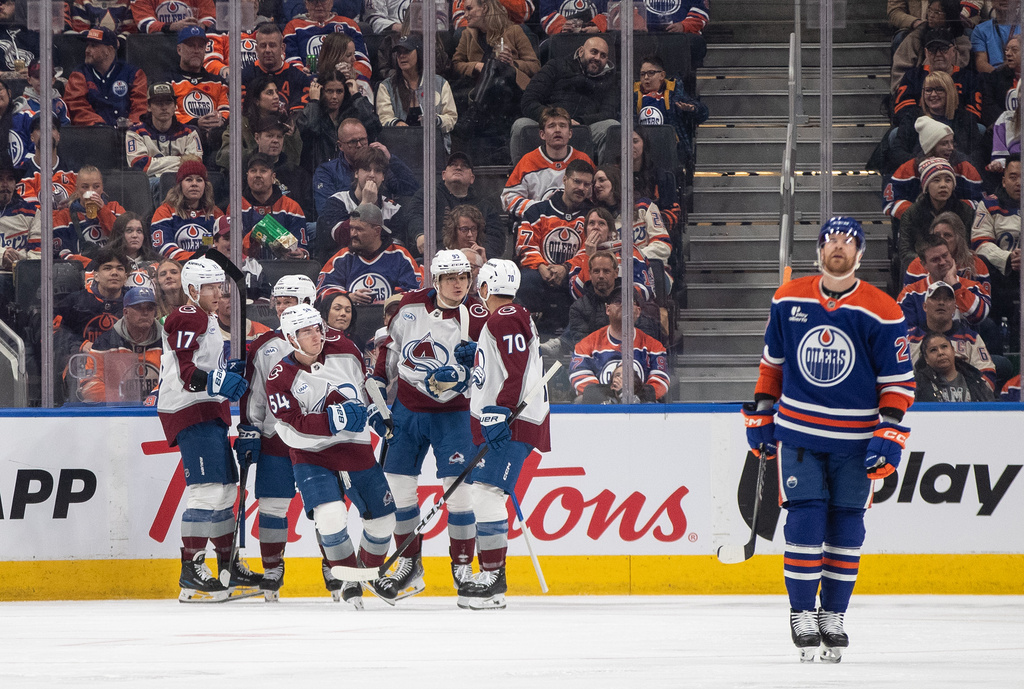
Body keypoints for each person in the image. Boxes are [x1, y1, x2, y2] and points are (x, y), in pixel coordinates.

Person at [742, 216, 915, 663]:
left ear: (861, 254)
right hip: (798, 435)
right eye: (829, 240)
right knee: (804, 520)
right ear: (818, 251)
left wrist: (890, 430)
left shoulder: (883, 309)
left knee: (847, 528)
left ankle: (833, 614)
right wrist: (762, 413)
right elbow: (772, 365)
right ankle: (801, 612)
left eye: (847, 241)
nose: (837, 247)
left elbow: (897, 381)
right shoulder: (787, 298)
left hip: (856, 442)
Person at [368, 249, 490, 601]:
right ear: (435, 280)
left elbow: (497, 370)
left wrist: (475, 364)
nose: (458, 284)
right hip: (407, 409)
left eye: (464, 277)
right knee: (400, 490)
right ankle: (410, 564)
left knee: (460, 493)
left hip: (454, 413)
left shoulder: (478, 316)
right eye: (450, 278)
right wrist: (377, 394)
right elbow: (390, 353)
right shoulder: (409, 307)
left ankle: (463, 565)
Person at [265, 303, 396, 607]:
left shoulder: (345, 349)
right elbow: (292, 424)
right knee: (330, 516)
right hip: (311, 455)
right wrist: (334, 419)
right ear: (290, 337)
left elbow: (366, 386)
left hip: (356, 447)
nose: (315, 335)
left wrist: (378, 412)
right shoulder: (280, 377)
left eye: (317, 328)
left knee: (384, 521)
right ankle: (351, 580)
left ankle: (369, 573)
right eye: (305, 331)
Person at [157, 256, 260, 603]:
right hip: (190, 410)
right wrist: (218, 379)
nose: (218, 293)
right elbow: (187, 373)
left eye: (220, 286)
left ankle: (228, 563)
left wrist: (223, 372)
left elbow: (202, 365)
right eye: (210, 287)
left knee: (227, 491)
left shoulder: (209, 318)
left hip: (207, 409)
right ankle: (191, 571)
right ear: (191, 290)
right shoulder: (189, 314)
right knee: (207, 490)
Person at [455, 259, 550, 609]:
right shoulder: (508, 317)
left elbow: (517, 368)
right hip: (505, 420)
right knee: (485, 493)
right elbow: (503, 363)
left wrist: (501, 411)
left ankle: (494, 578)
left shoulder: (505, 316)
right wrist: (477, 354)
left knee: (487, 495)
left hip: (510, 422)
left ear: (484, 288)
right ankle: (492, 576)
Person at [236, 275, 316, 601]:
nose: (281, 307)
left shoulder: (332, 343)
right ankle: (271, 571)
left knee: (325, 506)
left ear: (308, 304)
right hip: (275, 436)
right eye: (278, 301)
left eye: (290, 301)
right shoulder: (265, 345)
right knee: (272, 505)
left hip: (318, 439)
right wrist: (250, 427)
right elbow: (255, 395)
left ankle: (333, 570)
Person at [451, 0, 540, 164]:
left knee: (496, 65)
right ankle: (477, 111)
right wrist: (476, 66)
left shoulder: (514, 31)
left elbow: (535, 65)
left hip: (511, 90)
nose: (465, 15)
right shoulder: (468, 34)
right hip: (486, 92)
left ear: (484, 8)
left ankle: (475, 112)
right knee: (490, 65)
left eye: (469, 9)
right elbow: (456, 64)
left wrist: (513, 63)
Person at [515, 158, 594, 333]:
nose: (582, 188)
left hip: (572, 274)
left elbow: (589, 250)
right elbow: (525, 246)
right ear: (565, 180)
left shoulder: (592, 215)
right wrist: (542, 266)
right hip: (540, 273)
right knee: (526, 280)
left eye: (586, 184)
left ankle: (572, 336)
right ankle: (525, 331)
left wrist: (566, 268)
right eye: (577, 181)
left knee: (589, 281)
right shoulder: (537, 211)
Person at [516, 36, 618, 164]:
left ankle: (604, 179)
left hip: (585, 128)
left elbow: (608, 113)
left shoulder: (610, 80)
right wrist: (554, 119)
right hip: (551, 125)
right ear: (581, 51)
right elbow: (528, 101)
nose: (597, 58)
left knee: (612, 126)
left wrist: (580, 122)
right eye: (593, 52)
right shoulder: (556, 65)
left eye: (603, 56)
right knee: (520, 125)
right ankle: (520, 177)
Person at [569, 286, 669, 402]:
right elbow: (578, 376)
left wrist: (634, 397)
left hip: (640, 412)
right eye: (618, 301)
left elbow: (660, 380)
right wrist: (612, 397)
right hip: (601, 412)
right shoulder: (586, 344)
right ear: (607, 309)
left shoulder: (654, 346)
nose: (623, 305)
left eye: (629, 301)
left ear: (638, 311)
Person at [400, 152, 505, 260]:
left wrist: (479, 255)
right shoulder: (428, 196)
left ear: (472, 178)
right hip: (432, 260)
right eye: (453, 165)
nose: (458, 168)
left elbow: (496, 237)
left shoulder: (485, 207)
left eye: (464, 166)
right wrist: (420, 234)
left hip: (472, 264)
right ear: (443, 175)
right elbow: (414, 215)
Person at [502, 107, 595, 222]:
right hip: (539, 226)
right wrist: (540, 209)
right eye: (551, 126)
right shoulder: (528, 161)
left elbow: (594, 197)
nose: (557, 130)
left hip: (577, 225)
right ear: (542, 134)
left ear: (570, 133)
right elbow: (508, 199)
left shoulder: (583, 159)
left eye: (562, 126)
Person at [312, 118, 419, 218]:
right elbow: (325, 213)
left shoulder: (377, 169)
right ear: (340, 146)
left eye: (363, 140)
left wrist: (391, 159)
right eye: (352, 142)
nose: (359, 145)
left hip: (380, 225)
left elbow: (411, 189)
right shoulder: (326, 171)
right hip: (343, 226)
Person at [882, 116, 983, 221]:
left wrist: (953, 213)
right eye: (944, 143)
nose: (951, 147)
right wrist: (918, 215)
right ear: (930, 146)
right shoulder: (909, 169)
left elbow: (980, 203)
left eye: (952, 142)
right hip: (917, 228)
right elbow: (889, 202)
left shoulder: (965, 168)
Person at [316, 203, 421, 302]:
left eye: (358, 229)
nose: (353, 234)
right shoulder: (341, 258)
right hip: (351, 320)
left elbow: (415, 291)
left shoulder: (400, 256)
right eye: (351, 228)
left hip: (390, 319)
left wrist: (390, 301)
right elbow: (322, 292)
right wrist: (348, 297)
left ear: (377, 231)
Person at [79, 285, 162, 405]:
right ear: (125, 312)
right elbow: (89, 384)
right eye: (138, 307)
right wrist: (123, 400)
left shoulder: (167, 341)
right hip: (119, 413)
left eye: (150, 308)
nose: (145, 313)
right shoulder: (106, 342)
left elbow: (175, 381)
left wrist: (152, 400)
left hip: (158, 410)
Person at [906, 280, 996, 389]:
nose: (941, 303)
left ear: (954, 307)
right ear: (924, 306)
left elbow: (988, 375)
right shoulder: (909, 338)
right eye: (935, 298)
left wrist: (966, 395)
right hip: (922, 403)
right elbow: (897, 376)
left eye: (947, 299)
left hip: (963, 403)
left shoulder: (971, 339)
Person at [317, 146, 403, 259]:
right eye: (367, 169)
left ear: (383, 177)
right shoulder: (337, 201)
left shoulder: (393, 209)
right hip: (344, 266)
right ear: (356, 173)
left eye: (377, 171)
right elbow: (341, 238)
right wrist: (366, 204)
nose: (372, 174)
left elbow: (396, 250)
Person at [376, 34, 458, 151]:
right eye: (399, 53)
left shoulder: (440, 83)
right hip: (399, 147)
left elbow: (451, 117)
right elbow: (384, 118)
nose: (402, 56)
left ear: (419, 53)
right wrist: (397, 124)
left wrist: (436, 120)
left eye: (407, 51)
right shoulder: (386, 86)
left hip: (434, 148)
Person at [125, 82, 204, 204]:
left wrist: (154, 163)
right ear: (149, 107)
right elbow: (139, 166)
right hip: (150, 185)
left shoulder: (190, 132)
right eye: (158, 103)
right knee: (160, 183)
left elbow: (195, 165)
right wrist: (181, 160)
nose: (164, 107)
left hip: (182, 182)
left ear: (175, 106)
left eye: (168, 102)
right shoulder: (135, 132)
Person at [890, 73, 986, 171]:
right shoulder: (912, 117)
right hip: (920, 171)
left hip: (957, 171)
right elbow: (897, 151)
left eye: (939, 90)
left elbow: (977, 154)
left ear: (949, 92)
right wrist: (920, 162)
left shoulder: (965, 117)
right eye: (928, 90)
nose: (933, 94)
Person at [896, 157, 975, 272]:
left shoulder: (965, 211)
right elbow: (905, 251)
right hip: (923, 266)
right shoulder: (912, 213)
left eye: (948, 180)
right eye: (936, 180)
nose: (943, 185)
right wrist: (931, 261)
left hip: (958, 266)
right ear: (926, 186)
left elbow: (968, 246)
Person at [898, 234, 990, 329]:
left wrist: (955, 284)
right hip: (924, 343)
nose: (942, 262)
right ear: (924, 265)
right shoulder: (910, 294)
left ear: (951, 255)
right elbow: (906, 332)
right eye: (935, 259)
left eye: (945, 256)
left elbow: (980, 316)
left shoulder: (973, 287)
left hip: (965, 343)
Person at [892, 28, 982, 126]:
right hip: (921, 126)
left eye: (944, 49)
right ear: (926, 52)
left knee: (980, 128)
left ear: (953, 51)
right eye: (932, 50)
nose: (938, 54)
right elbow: (902, 108)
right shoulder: (913, 76)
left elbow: (974, 111)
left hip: (958, 127)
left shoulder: (968, 77)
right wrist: (928, 122)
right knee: (894, 134)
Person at [633, 55, 708, 170]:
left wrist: (692, 109)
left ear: (662, 75)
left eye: (651, 73)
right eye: (642, 74)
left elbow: (703, 113)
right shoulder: (633, 95)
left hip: (670, 149)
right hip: (642, 149)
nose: (646, 78)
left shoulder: (675, 93)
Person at [164, 25, 228, 161]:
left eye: (200, 46)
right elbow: (168, 112)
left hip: (214, 139)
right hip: (180, 139)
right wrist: (195, 122)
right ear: (179, 49)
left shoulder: (218, 82)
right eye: (191, 46)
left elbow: (225, 109)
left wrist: (219, 121)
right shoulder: (168, 80)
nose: (196, 50)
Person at [298, 67, 378, 175]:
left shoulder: (352, 113)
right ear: (321, 91)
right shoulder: (312, 112)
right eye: (329, 91)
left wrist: (356, 95)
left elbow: (374, 126)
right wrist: (314, 102)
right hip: (318, 174)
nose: (334, 96)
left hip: (350, 172)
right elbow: (311, 131)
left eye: (339, 91)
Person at [230, 153, 309, 261]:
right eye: (253, 170)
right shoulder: (236, 206)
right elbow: (231, 248)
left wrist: (301, 254)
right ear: (247, 175)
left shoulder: (291, 208)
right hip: (245, 268)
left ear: (273, 177)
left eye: (263, 171)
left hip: (283, 270)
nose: (257, 175)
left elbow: (302, 249)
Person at [64, 28, 148, 128]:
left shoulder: (134, 74)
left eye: (93, 46)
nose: (87, 50)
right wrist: (99, 126)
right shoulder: (79, 74)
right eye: (87, 45)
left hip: (129, 135)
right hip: (94, 135)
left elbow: (140, 107)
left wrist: (132, 124)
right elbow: (76, 106)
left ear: (109, 50)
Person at [217, 76, 302, 173]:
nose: (276, 97)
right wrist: (259, 155)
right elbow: (225, 154)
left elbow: (294, 160)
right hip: (245, 176)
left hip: (280, 176)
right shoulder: (240, 123)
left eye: (276, 92)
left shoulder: (284, 122)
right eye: (270, 93)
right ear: (256, 100)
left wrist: (292, 136)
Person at [53, 248, 127, 355]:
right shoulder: (75, 301)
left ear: (125, 277)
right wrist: (79, 344)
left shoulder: (134, 303)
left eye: (120, 269)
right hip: (81, 365)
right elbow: (50, 330)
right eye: (107, 268)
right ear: (96, 276)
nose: (114, 273)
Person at [150, 157, 224, 261]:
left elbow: (225, 245)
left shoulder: (215, 213)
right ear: (179, 185)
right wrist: (194, 258)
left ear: (205, 186)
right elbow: (162, 248)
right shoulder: (164, 211)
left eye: (199, 180)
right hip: (177, 268)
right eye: (189, 179)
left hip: (210, 269)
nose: (194, 183)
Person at [890, 0, 971, 92]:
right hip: (918, 89)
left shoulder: (961, 40)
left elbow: (961, 65)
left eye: (937, 12)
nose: (931, 15)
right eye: (930, 11)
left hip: (952, 90)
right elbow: (900, 69)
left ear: (949, 15)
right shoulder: (915, 37)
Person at [283, 0, 371, 82]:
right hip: (309, 83)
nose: (319, 5)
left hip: (345, 81)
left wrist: (352, 74)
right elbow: (291, 60)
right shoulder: (293, 26)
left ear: (331, 2)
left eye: (323, 1)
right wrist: (303, 76)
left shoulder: (349, 25)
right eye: (314, 1)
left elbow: (362, 61)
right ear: (306, 3)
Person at [51, 166, 127, 261]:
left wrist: (103, 211)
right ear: (77, 189)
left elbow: (126, 240)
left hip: (114, 266)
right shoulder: (64, 216)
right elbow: (62, 253)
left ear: (102, 187)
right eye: (85, 187)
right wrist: (89, 264)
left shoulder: (115, 208)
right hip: (81, 271)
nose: (91, 191)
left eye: (96, 186)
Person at [241, 22, 312, 115]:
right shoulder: (244, 76)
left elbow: (298, 117)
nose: (267, 50)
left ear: (282, 48)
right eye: (263, 46)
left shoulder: (299, 78)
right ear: (256, 49)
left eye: (272, 45)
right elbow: (243, 114)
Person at [904, 211, 989, 289]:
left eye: (947, 235)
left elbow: (985, 303)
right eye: (937, 235)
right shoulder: (917, 266)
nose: (942, 239)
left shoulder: (977, 265)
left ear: (958, 239)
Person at [914, 331, 995, 402]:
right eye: (933, 350)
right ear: (926, 358)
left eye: (944, 347)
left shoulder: (975, 381)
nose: (940, 352)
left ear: (953, 350)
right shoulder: (918, 385)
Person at [0, 158, 38, 302]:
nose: (5, 185)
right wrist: (3, 256)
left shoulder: (32, 213)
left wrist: (16, 262)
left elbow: (38, 255)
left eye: (10, 179)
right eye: (0, 179)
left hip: (24, 280)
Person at [107, 211, 161, 283]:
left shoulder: (157, 262)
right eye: (129, 231)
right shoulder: (107, 261)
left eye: (139, 231)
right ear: (119, 234)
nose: (135, 235)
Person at [982, 34, 1020, 127]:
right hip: (1004, 126)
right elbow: (989, 106)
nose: (1008, 53)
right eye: (1007, 50)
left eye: (1014, 50)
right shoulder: (996, 76)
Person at [971, 0, 1019, 73]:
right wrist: (1001, 78)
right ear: (991, 2)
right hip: (994, 79)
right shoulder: (980, 30)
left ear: (1018, 2)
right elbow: (981, 63)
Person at [132, 0, 216, 34]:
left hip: (193, 42)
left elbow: (210, 18)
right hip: (158, 48)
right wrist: (171, 26)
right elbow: (145, 23)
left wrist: (203, 26)